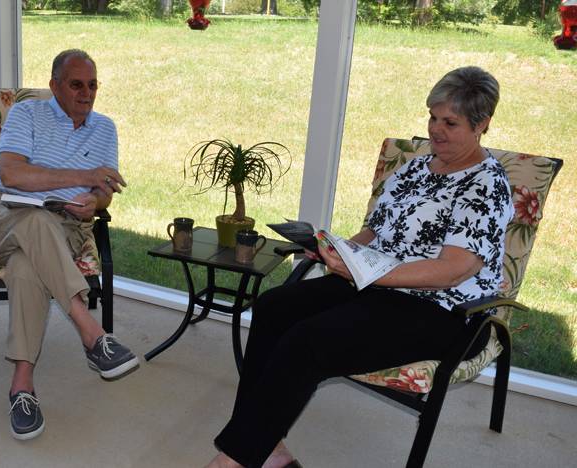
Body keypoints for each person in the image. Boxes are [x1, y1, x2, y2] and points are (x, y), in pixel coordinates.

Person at [206, 66, 514, 468]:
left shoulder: (486, 185)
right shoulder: (418, 167)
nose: (435, 130)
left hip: (442, 310)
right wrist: (339, 251)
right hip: (375, 283)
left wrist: (366, 273)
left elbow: (451, 270)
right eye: (433, 117)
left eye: (450, 123)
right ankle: (270, 447)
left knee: (308, 342)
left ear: (482, 124)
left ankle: (236, 460)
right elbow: (375, 230)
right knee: (273, 308)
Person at [0, 49, 139, 441]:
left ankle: (21, 386)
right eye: (77, 84)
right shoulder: (28, 114)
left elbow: (105, 193)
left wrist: (94, 202)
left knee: (29, 264)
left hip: (63, 224)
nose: (87, 93)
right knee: (35, 221)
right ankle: (92, 333)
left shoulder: (105, 129)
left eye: (93, 85)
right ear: (54, 85)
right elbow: (11, 173)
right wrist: (84, 174)